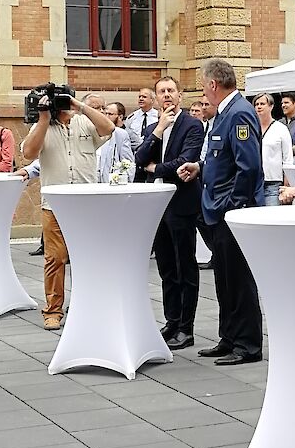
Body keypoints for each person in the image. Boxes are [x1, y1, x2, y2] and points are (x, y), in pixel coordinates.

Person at [177, 58, 264, 366]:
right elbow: (222, 158)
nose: (203, 90)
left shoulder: (239, 112)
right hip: (217, 210)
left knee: (239, 280)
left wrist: (232, 205)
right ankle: (228, 338)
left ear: (213, 84)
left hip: (231, 211)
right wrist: (200, 167)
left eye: (203, 85)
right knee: (225, 280)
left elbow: (248, 166)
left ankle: (247, 345)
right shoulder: (224, 113)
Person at [21, 87, 113, 329]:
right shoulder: (41, 126)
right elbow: (29, 153)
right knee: (55, 259)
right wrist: (43, 118)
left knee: (89, 257)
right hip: (54, 205)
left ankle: (89, 304)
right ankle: (53, 310)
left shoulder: (84, 121)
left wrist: (78, 105)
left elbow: (109, 129)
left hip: (86, 203)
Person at [135, 77, 204, 347]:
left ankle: (186, 327)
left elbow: (183, 162)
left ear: (180, 95)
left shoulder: (192, 125)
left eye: (171, 91)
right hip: (156, 206)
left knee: (184, 265)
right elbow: (140, 160)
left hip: (181, 203)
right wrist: (159, 129)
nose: (166, 96)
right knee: (166, 267)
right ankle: (171, 321)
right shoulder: (155, 126)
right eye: (161, 92)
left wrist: (155, 169)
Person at [254, 92, 294, 207]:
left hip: (273, 183)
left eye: (262, 104)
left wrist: (287, 183)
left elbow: (288, 157)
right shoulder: (251, 127)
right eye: (256, 104)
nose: (259, 106)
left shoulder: (281, 129)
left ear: (271, 106)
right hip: (254, 182)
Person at [97, 101, 137, 183]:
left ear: (120, 117)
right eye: (105, 113)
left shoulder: (121, 134)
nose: (106, 117)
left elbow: (128, 163)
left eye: (110, 114)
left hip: (110, 182)